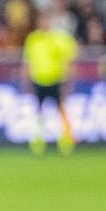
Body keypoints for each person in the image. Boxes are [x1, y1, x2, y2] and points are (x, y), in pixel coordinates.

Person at [22, 9, 80, 155]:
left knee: (61, 110)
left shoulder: (59, 38)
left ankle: (66, 140)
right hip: (39, 80)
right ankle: (38, 141)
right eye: (41, 21)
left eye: (46, 21)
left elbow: (69, 59)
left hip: (56, 79)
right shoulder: (33, 39)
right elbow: (28, 61)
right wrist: (26, 80)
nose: (44, 23)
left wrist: (68, 80)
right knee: (39, 111)